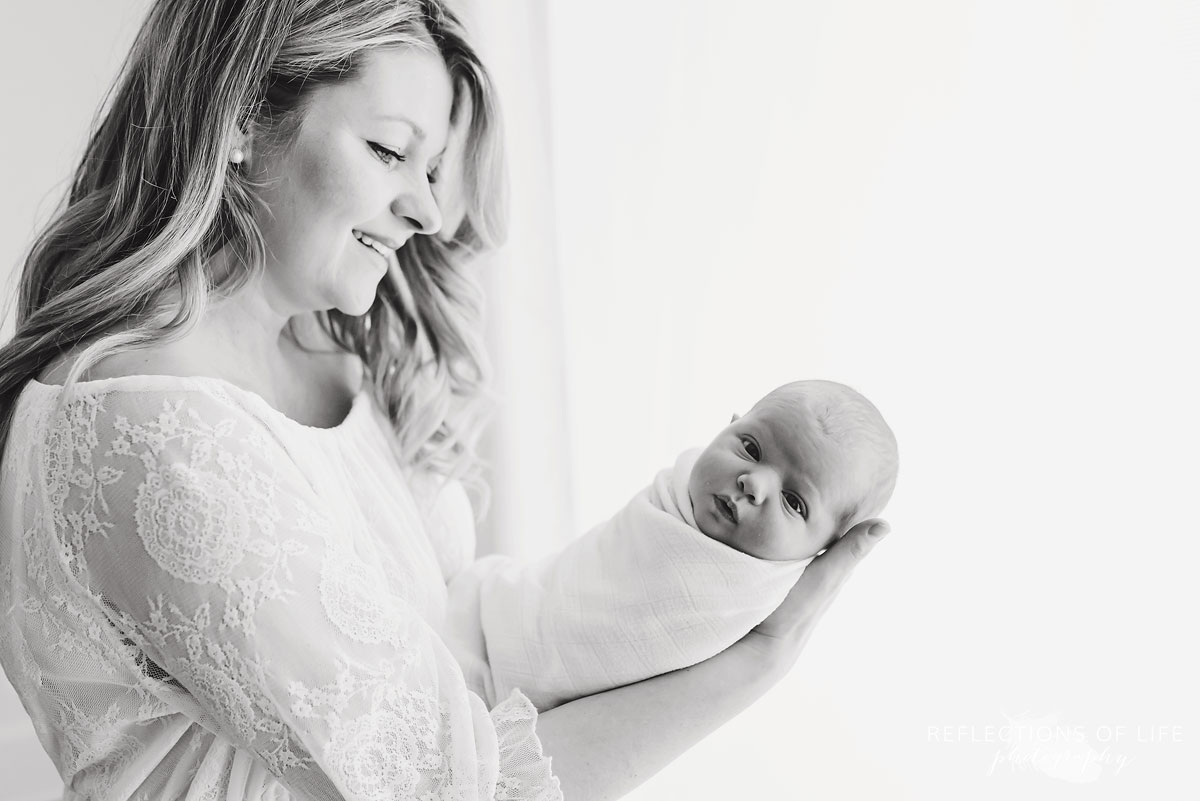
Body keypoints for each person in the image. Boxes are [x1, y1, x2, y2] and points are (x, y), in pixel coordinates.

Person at [0, 1, 892, 799]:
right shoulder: (156, 434)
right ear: (238, 118)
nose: (427, 209)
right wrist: (755, 663)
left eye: (433, 167)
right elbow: (455, 788)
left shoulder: (341, 355)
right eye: (390, 150)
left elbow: (464, 643)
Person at [446, 379, 898, 712]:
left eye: (794, 501)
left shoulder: (756, 597)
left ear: (822, 553)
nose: (754, 483)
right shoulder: (670, 498)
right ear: (731, 424)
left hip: (507, 705)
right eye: (750, 447)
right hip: (492, 610)